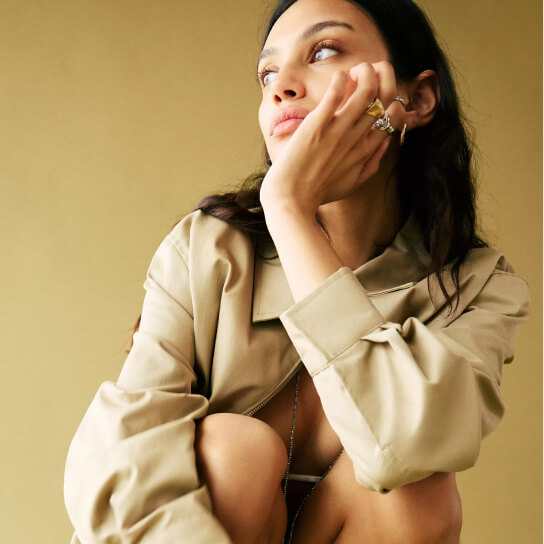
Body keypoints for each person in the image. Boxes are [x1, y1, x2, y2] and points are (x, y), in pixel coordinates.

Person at [64, 0, 530, 542]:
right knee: (235, 453)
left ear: (418, 99)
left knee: (417, 493)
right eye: (267, 74)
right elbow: (124, 455)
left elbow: (406, 446)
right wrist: (285, 207)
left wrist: (289, 210)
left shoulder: (479, 287)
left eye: (324, 50)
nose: (281, 85)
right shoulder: (206, 249)